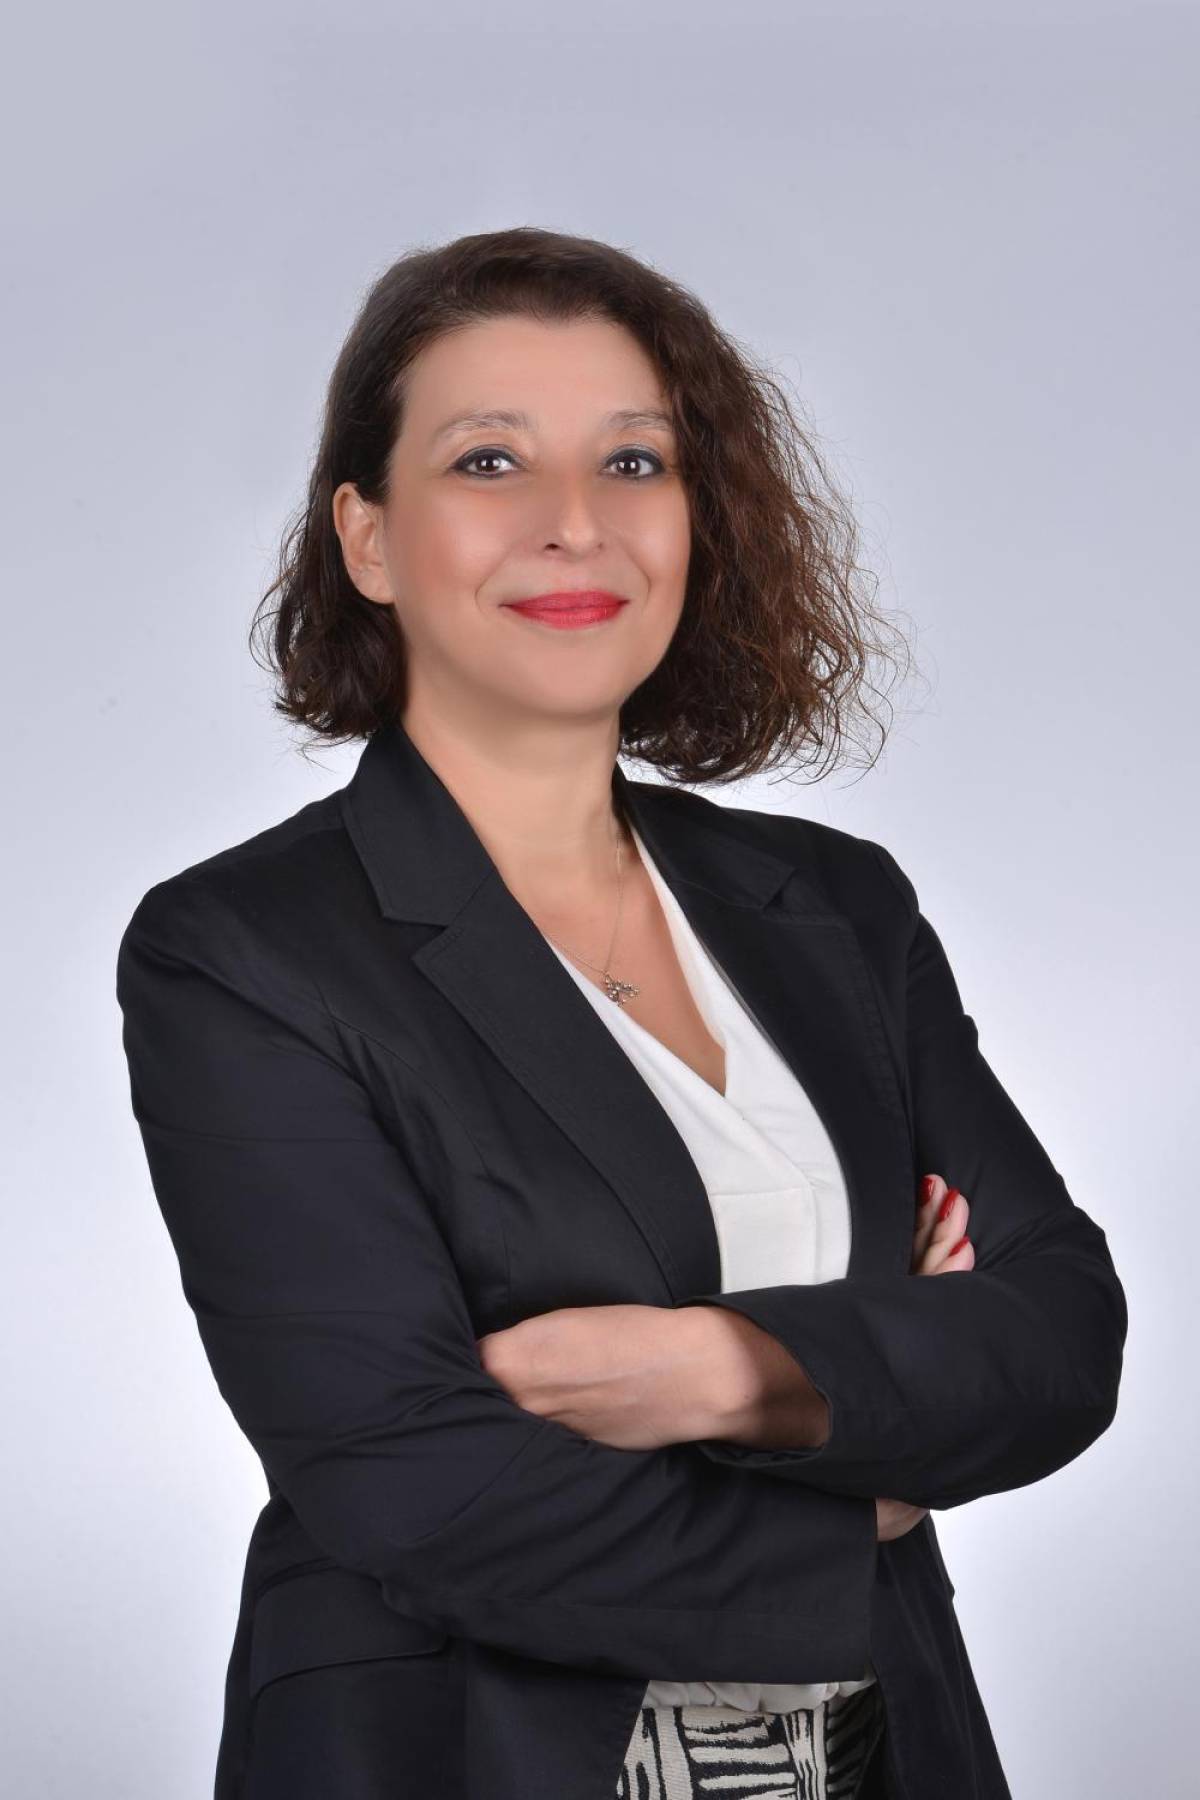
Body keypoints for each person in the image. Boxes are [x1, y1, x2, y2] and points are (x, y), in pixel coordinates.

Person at [115, 226, 1127, 1800]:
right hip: (469, 1753)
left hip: (885, 1748)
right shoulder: (246, 951)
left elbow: (1058, 1333)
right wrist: (868, 1466)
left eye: (635, 461)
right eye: (490, 461)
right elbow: (415, 1483)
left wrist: (724, 1370)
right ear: (368, 539)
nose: (575, 521)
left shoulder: (836, 906)